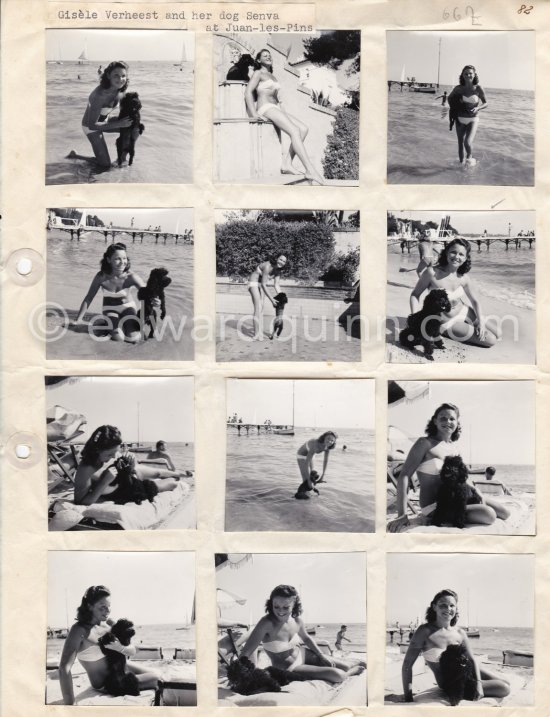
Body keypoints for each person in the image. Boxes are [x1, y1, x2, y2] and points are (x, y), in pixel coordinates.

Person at [387, 404, 500, 533]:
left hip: (455, 499)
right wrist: (402, 515)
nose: (448, 422)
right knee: (489, 514)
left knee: (504, 512)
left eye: (452, 419)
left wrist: (475, 490)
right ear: (435, 421)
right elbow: (405, 475)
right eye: (443, 418)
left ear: (457, 422)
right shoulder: (424, 443)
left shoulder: (454, 447)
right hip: (435, 506)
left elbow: (461, 478)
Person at [401, 589, 509, 703]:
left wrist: (478, 684)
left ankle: (477, 683)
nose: (448, 609)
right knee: (504, 688)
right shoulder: (424, 631)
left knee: (506, 682)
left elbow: (472, 659)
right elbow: (407, 665)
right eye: (443, 605)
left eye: (452, 605)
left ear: (456, 608)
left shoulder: (460, 632)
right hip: (451, 682)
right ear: (434, 607)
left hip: (467, 671)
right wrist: (408, 698)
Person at [239, 585, 364, 683]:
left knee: (348, 665)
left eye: (285, 607)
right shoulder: (266, 623)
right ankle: (351, 672)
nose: (280, 611)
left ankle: (351, 663)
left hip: (303, 653)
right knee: (338, 675)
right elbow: (245, 653)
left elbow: (307, 638)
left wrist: (321, 656)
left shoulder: (297, 621)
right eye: (276, 606)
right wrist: (241, 674)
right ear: (271, 604)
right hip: (289, 667)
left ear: (294, 605)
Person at [58, 585, 160, 704]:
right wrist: (69, 706)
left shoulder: (109, 624)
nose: (107, 611)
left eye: (108, 607)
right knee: (157, 679)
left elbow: (133, 649)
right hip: (109, 682)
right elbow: (64, 668)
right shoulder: (79, 630)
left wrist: (120, 648)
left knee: (157, 673)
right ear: (89, 606)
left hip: (122, 668)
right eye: (102, 607)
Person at [245, 49, 325, 184]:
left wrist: (283, 112)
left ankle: (287, 163)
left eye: (269, 55)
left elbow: (277, 98)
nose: (268, 57)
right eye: (265, 56)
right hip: (265, 107)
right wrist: (254, 113)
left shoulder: (273, 76)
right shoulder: (258, 73)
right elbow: (248, 92)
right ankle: (310, 169)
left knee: (303, 129)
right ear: (259, 60)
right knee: (294, 131)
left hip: (276, 108)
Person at [409, 237, 502, 348]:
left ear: (466, 258)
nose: (456, 257)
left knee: (498, 333)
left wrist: (481, 323)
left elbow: (475, 301)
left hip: (464, 311)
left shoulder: (464, 278)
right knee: (491, 340)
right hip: (446, 321)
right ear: (447, 252)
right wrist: (415, 318)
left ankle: (472, 326)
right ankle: (444, 331)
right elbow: (415, 295)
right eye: (453, 252)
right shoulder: (432, 273)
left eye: (461, 254)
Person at [74, 425, 180, 506]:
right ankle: (176, 476)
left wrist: (131, 465)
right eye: (109, 454)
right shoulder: (86, 469)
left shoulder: (110, 457)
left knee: (163, 475)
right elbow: (81, 502)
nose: (113, 457)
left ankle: (180, 474)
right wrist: (104, 482)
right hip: (131, 491)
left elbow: (128, 472)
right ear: (97, 450)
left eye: (116, 452)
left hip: (132, 482)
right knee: (172, 483)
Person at [72, 242, 150, 343]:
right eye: (117, 259)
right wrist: (79, 319)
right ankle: (106, 324)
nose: (122, 262)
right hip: (110, 309)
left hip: (128, 308)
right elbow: (89, 297)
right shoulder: (101, 277)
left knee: (134, 338)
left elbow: (148, 294)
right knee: (118, 338)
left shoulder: (131, 277)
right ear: (109, 260)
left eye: (125, 258)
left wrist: (154, 301)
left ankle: (118, 324)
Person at [81, 61, 134, 168]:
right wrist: (119, 123)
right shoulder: (99, 96)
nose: (120, 79)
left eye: (123, 76)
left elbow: (123, 107)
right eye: (116, 76)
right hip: (91, 127)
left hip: (105, 121)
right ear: (108, 76)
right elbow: (92, 125)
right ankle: (76, 156)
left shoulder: (121, 87)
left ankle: (122, 159)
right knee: (105, 165)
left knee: (135, 126)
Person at [447, 65, 487, 166]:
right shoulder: (458, 89)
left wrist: (478, 108)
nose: (468, 75)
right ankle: (461, 166)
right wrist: (456, 106)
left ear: (474, 75)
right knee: (460, 143)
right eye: (466, 73)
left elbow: (486, 103)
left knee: (467, 142)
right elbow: (449, 98)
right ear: (462, 75)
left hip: (473, 119)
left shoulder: (478, 88)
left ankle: (469, 157)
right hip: (460, 118)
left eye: (470, 73)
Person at [247, 254, 288, 341]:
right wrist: (272, 300)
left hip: (261, 285)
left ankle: (258, 331)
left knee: (261, 308)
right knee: (257, 307)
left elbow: (276, 285)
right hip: (253, 282)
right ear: (276, 258)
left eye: (284, 261)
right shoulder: (267, 266)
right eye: (281, 259)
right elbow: (264, 285)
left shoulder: (278, 270)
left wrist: (282, 297)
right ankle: (256, 334)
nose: (282, 262)